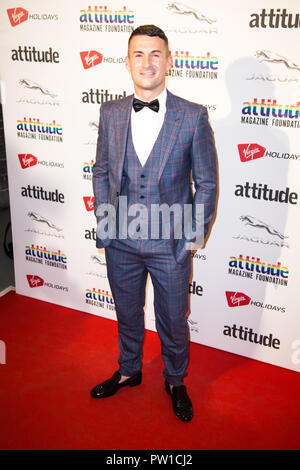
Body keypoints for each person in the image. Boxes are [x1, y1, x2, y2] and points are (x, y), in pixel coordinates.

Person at [91, 24, 217, 422]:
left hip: (170, 241)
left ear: (169, 61)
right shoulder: (110, 112)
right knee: (126, 312)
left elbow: (207, 182)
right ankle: (129, 369)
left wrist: (191, 238)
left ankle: (175, 380)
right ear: (127, 62)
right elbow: (101, 170)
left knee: (172, 318)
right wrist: (104, 221)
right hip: (121, 239)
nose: (148, 62)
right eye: (139, 55)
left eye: (156, 54)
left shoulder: (193, 116)